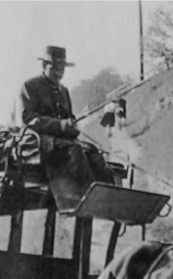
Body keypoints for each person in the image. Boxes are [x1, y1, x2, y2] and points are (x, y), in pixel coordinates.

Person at [19, 45, 113, 210]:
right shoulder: (30, 86)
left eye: (61, 69)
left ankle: (108, 200)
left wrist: (72, 126)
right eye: (54, 68)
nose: (58, 72)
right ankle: (83, 199)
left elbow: (69, 118)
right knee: (74, 150)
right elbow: (28, 118)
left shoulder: (64, 91)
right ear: (44, 66)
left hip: (61, 140)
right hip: (38, 140)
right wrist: (60, 125)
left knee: (94, 152)